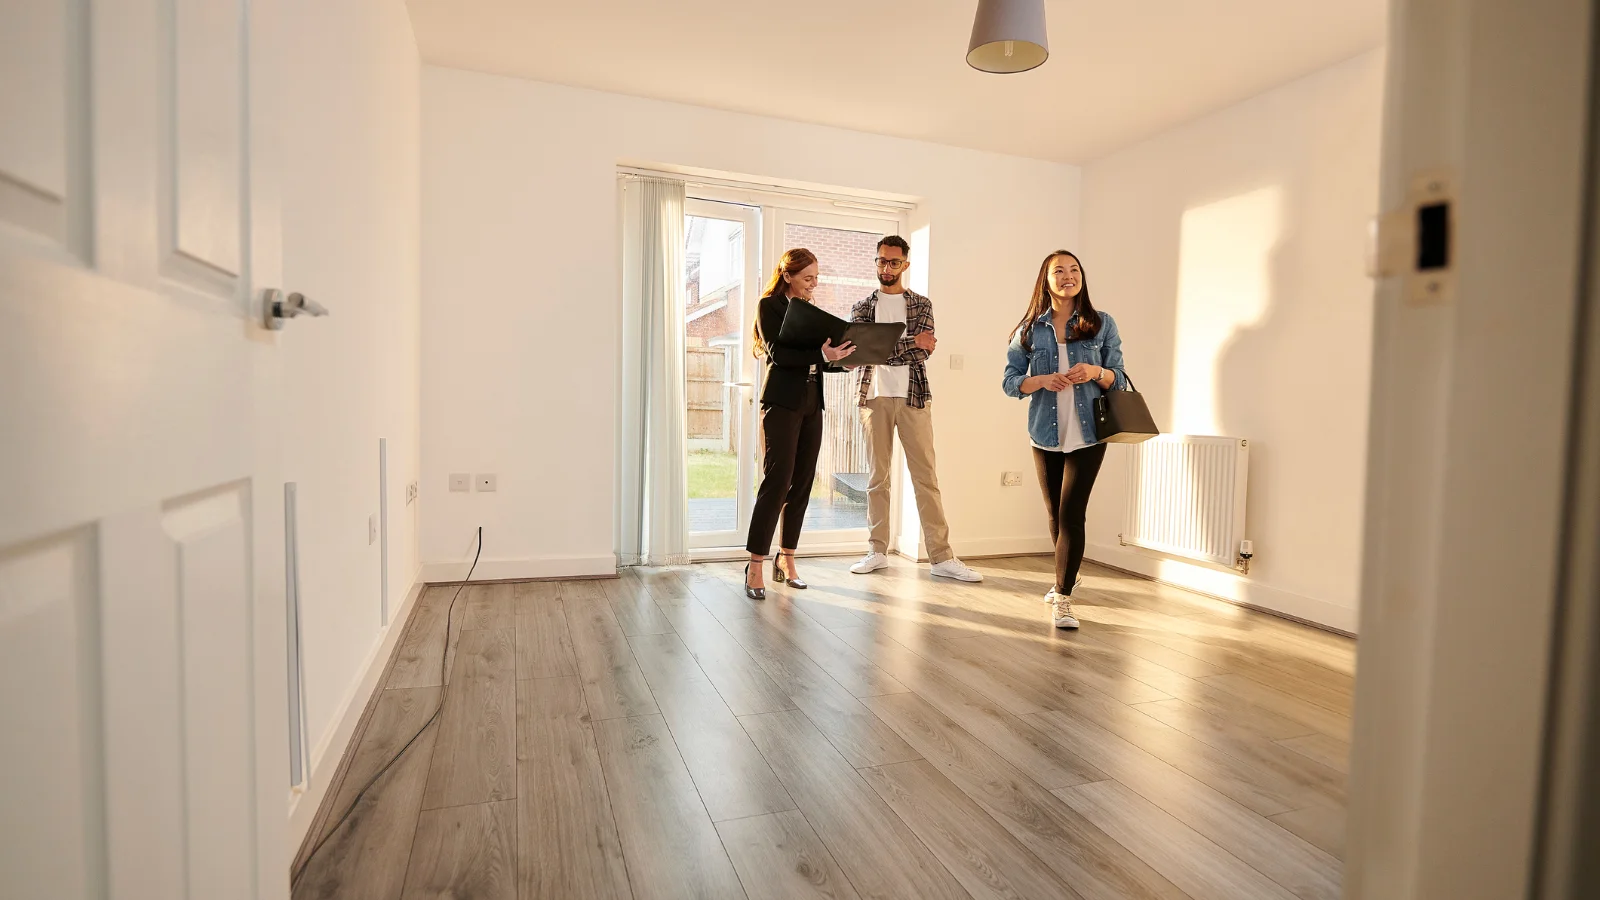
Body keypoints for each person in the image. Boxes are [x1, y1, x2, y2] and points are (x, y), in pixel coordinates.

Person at [1002, 250, 1127, 628]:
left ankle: (1063, 596)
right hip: (1045, 433)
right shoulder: (1028, 330)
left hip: (1089, 433)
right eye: (1060, 271)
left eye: (1074, 270)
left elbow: (1119, 378)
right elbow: (1010, 382)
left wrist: (1095, 370)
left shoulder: (1101, 324)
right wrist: (1040, 380)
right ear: (1047, 279)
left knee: (1073, 512)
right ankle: (1066, 574)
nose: (1068, 276)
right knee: (1056, 515)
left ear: (1082, 278)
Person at [847, 235, 983, 583]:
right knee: (877, 480)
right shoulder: (863, 306)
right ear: (876, 261)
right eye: (881, 261)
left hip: (914, 398)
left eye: (894, 262)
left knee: (926, 479)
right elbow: (864, 352)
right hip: (873, 398)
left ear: (905, 264)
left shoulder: (921, 304)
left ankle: (941, 557)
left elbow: (924, 351)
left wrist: (882, 345)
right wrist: (903, 343)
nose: (886, 267)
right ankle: (877, 551)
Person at [743, 248, 857, 599]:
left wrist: (841, 362)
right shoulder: (770, 307)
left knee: (803, 483)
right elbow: (780, 354)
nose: (813, 285)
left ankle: (787, 559)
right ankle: (756, 565)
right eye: (808, 278)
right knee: (777, 482)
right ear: (788, 275)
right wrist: (823, 355)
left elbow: (817, 357)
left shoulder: (809, 312)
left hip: (811, 403)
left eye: (816, 279)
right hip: (781, 403)